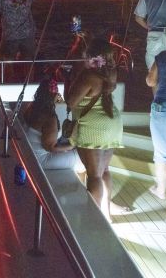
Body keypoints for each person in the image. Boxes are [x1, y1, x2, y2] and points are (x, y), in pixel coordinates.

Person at [65, 38, 125, 218]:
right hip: (112, 123)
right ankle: (106, 214)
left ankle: (94, 218)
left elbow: (70, 101)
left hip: (94, 127)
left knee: (94, 176)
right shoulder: (111, 73)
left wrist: (68, 78)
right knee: (104, 171)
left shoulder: (88, 76)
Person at [145, 41, 166, 214]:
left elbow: (151, 81)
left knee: (162, 156)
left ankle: (161, 191)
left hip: (163, 110)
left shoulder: (164, 57)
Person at [24, 77, 78, 170]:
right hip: (40, 160)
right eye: (57, 94)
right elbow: (50, 147)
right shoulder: (50, 118)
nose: (59, 96)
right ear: (54, 96)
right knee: (81, 155)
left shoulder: (32, 108)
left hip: (28, 154)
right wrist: (72, 146)